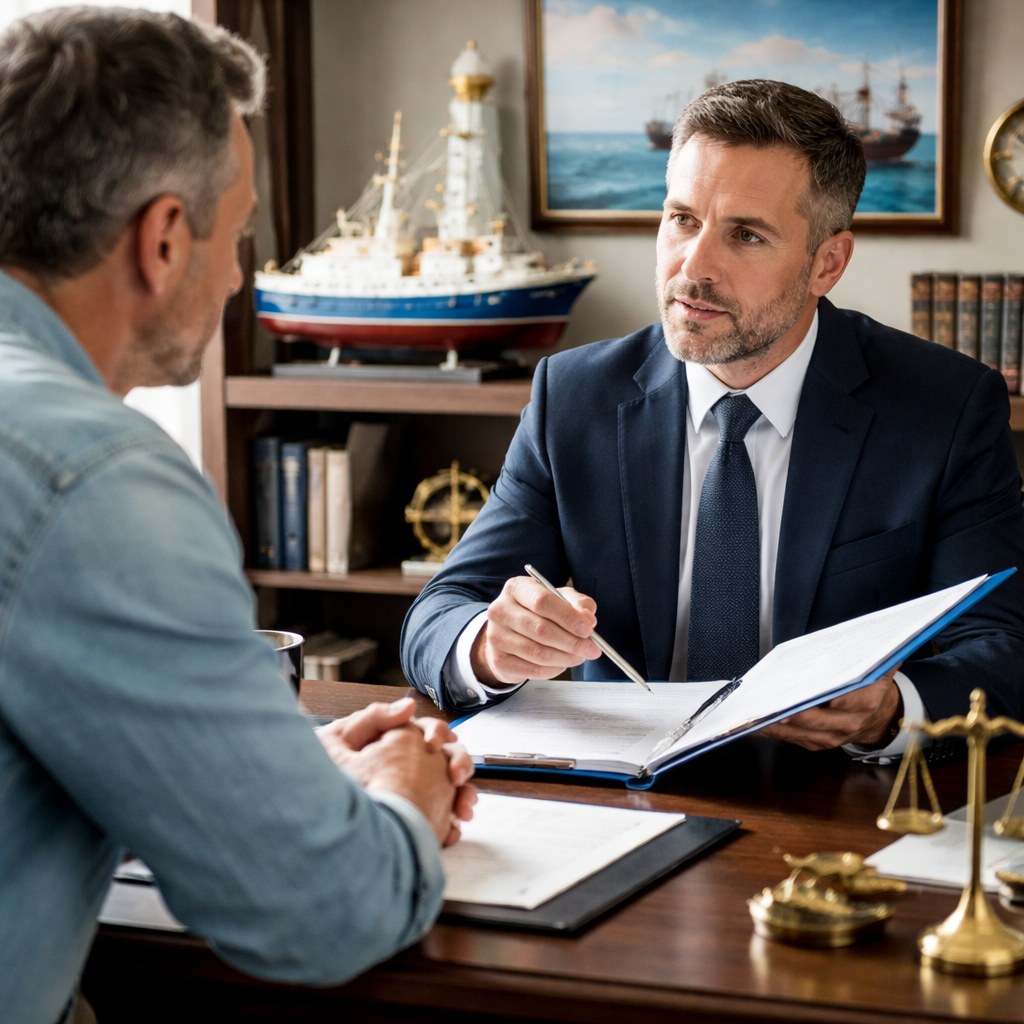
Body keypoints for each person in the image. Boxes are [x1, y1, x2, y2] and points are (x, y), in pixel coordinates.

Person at [0, 10, 475, 1024]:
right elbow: (323, 911)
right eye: (240, 233)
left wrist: (279, 769)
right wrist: (401, 793)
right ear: (166, 239)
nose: (239, 277)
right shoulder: (96, 479)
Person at [402, 79, 1024, 756]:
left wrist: (891, 709)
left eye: (746, 235)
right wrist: (491, 645)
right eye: (682, 219)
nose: (693, 268)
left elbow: (1004, 647)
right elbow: (438, 615)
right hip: (619, 797)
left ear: (828, 263)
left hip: (833, 803)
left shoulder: (947, 407)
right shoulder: (575, 395)